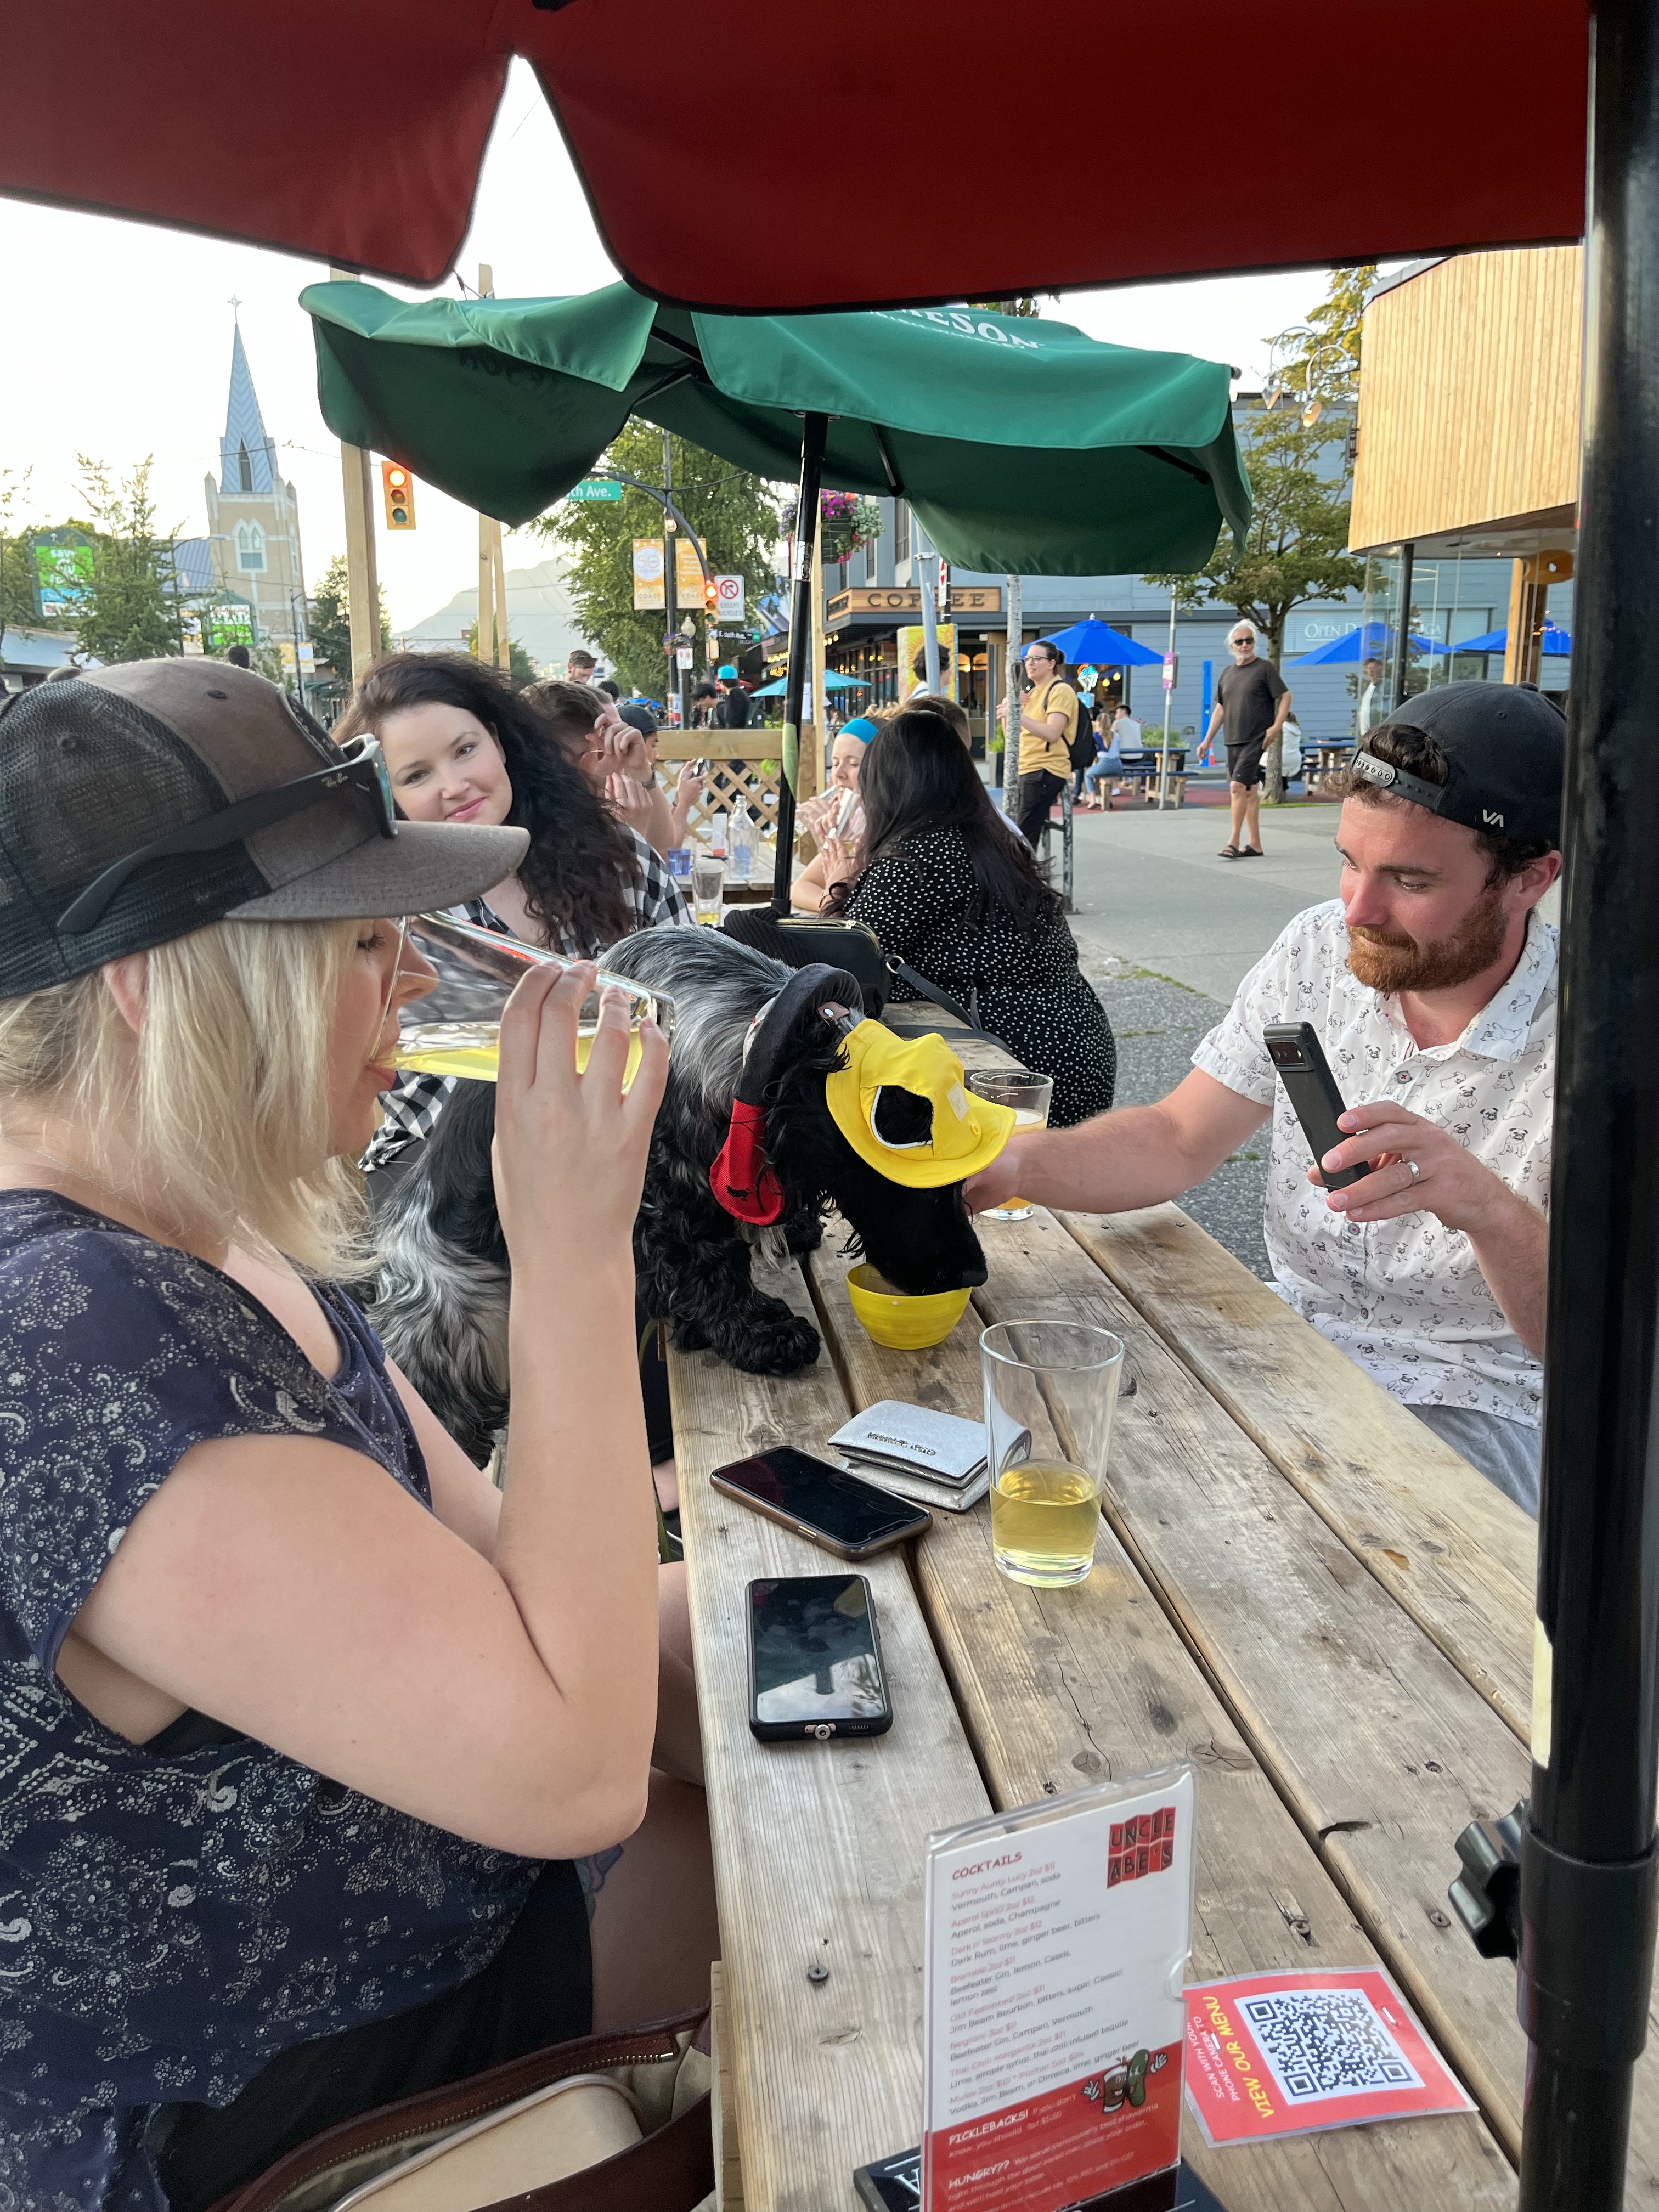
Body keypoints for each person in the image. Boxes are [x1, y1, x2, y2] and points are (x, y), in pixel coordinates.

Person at [0, 659, 716, 2207]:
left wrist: (822, 1620)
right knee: (812, 1892)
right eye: (366, 942)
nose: (416, 984)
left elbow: (525, 1580)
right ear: (171, 986)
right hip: (272, 2103)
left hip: (429, 1924)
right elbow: (576, 1770)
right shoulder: (76, 1334)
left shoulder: (204, 1228)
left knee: (809, 1769)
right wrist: (574, 1259)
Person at [967, 682, 1564, 1513]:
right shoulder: (1317, 947)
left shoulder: (1605, 1041)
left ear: (1530, 879)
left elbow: (1596, 1354)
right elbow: (1179, 1137)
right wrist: (1012, 1164)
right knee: (1042, 1442)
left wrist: (1487, 1207)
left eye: (1410, 880)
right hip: (1288, 1340)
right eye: (1349, 861)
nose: (1359, 909)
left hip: (1478, 1401)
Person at [337, 655, 689, 1171]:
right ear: (390, 796)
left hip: (640, 1154)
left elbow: (691, 1001)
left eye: (465, 750)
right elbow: (414, 1098)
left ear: (499, 743)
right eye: (417, 775)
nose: (454, 785)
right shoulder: (386, 912)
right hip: (448, 1173)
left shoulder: (619, 858)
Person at [826, 710, 1116, 1125]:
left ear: (885, 786)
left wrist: (835, 887)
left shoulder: (917, 857)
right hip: (1079, 1050)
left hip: (1014, 1070)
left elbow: (846, 961)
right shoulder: (992, 840)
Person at [1204, 622, 1290, 859]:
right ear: (1231, 646)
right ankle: (1255, 844)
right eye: (1240, 642)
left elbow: (1285, 696)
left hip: (1256, 738)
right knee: (1250, 791)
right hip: (1232, 739)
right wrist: (1206, 740)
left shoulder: (1264, 668)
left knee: (1237, 787)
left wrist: (1276, 727)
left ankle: (1233, 841)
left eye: (1249, 641)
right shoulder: (1227, 673)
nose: (1245, 645)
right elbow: (1221, 709)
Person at [1001, 637, 1078, 849]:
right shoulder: (1032, 693)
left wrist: (1017, 714)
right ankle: (1023, 868)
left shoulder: (1060, 690)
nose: (1030, 663)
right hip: (1025, 768)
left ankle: (1026, 870)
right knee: (1013, 833)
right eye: (1027, 659)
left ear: (1052, 663)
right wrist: (1007, 710)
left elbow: (1053, 733)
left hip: (1045, 768)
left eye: (1036, 659)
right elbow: (1012, 739)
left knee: (1023, 838)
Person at [794, 718, 876, 912]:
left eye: (853, 764)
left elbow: (853, 903)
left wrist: (833, 904)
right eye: (835, 763)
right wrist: (830, 838)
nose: (839, 773)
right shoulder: (856, 819)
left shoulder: (887, 826)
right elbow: (799, 888)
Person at [715, 665, 751, 729]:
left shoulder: (734, 694)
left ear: (722, 682)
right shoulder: (740, 692)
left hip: (738, 733)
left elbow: (732, 720)